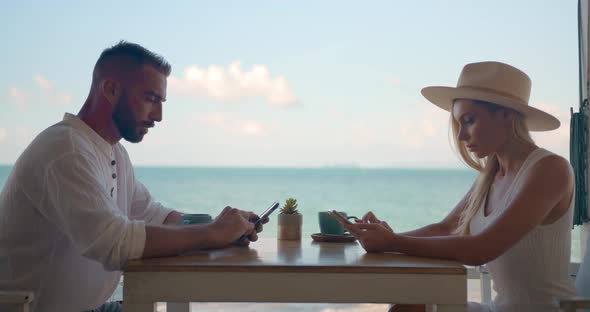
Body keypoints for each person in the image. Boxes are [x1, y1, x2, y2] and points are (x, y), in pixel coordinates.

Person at [0, 41, 266, 312]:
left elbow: (154, 215)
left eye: (161, 102)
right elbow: (114, 242)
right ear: (110, 89)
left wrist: (222, 226)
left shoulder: (113, 151)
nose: (159, 116)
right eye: (150, 99)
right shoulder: (64, 150)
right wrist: (211, 234)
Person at [336, 61, 576, 312]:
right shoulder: (492, 174)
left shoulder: (550, 170)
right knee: (405, 307)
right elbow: (447, 227)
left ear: (506, 114)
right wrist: (381, 237)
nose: (461, 135)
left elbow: (482, 249)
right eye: (459, 124)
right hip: (498, 308)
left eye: (469, 120)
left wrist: (393, 242)